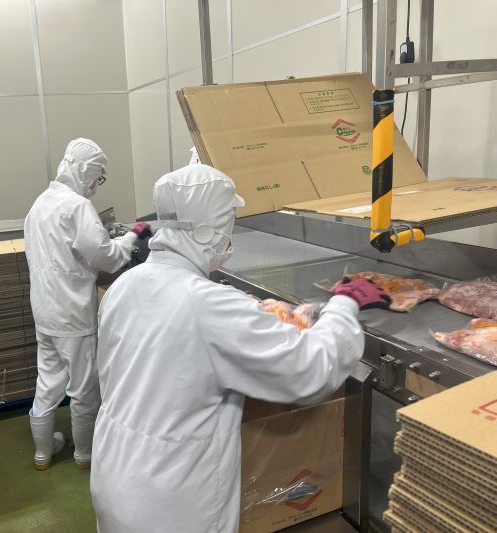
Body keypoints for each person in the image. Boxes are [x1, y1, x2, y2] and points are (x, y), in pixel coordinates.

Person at [90, 164, 389, 531]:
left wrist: (257, 313)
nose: (229, 237)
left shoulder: (126, 285)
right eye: (227, 224)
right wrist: (345, 304)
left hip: (114, 479)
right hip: (171, 505)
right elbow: (309, 370)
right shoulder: (207, 305)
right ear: (206, 230)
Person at [24, 138, 151, 471]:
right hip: (73, 313)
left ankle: (43, 453)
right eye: (97, 176)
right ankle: (84, 455)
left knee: (47, 382)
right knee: (83, 388)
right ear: (82, 170)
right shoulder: (77, 206)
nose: (96, 185)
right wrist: (133, 234)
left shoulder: (39, 204)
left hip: (44, 311)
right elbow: (105, 257)